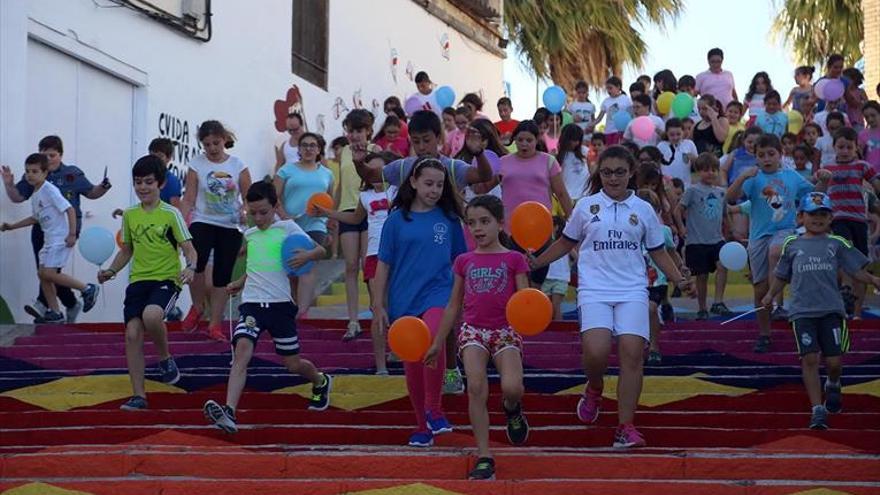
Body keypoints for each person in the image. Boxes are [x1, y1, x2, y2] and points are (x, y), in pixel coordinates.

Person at [531, 146, 692, 448]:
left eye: (620, 172)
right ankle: (594, 388)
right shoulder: (585, 206)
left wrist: (678, 278)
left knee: (633, 354)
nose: (613, 178)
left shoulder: (643, 209)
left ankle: (625, 426)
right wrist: (537, 262)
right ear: (599, 174)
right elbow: (566, 242)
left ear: (631, 173)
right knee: (597, 352)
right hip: (593, 289)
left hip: (632, 289)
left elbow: (658, 250)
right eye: (607, 172)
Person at [203, 180, 331, 433]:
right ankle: (229, 411)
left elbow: (321, 250)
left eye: (264, 212)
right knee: (241, 352)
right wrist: (239, 282)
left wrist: (306, 256)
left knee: (292, 364)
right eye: (253, 213)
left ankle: (320, 380)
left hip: (281, 306)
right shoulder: (249, 235)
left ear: (275, 207)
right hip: (251, 305)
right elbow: (257, 266)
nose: (258, 218)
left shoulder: (287, 228)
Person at [423, 194, 530, 480]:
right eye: (472, 223)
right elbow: (453, 305)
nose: (478, 228)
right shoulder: (463, 260)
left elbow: (526, 300)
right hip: (473, 331)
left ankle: (512, 408)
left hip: (506, 330)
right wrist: (437, 342)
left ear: (500, 223)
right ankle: (485, 455)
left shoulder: (514, 259)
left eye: (485, 221)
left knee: (512, 387)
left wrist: (532, 314)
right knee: (476, 387)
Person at [762, 192, 880, 429]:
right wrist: (770, 294)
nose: (817, 219)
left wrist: (873, 279)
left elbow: (855, 269)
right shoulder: (792, 245)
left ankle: (833, 383)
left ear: (830, 218)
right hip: (802, 312)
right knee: (810, 358)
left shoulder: (837, 243)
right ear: (801, 217)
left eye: (823, 214)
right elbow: (781, 275)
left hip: (831, 310)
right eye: (812, 214)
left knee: (834, 362)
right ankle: (817, 409)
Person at [371, 157, 467, 447]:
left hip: (439, 294)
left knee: (433, 339)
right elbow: (383, 265)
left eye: (440, 185)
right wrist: (378, 305)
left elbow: (460, 262)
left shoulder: (449, 220)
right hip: (403, 299)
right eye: (428, 183)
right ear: (412, 182)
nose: (435, 190)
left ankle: (435, 409)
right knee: (413, 362)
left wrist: (463, 298)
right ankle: (422, 425)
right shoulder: (396, 221)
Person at [92, 155, 195, 410]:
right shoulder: (130, 215)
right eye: (138, 182)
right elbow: (126, 250)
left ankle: (164, 358)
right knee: (132, 334)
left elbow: (189, 248)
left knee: (152, 316)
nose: (143, 188)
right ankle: (139, 395)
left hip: (167, 280)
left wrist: (191, 267)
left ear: (160, 184)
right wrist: (111, 271)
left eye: (148, 182)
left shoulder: (171, 214)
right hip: (138, 281)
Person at [1, 135, 111, 323]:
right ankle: (55, 311)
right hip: (45, 232)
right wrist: (12, 226)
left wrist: (71, 233)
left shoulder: (54, 185)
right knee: (43, 273)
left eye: (52, 155)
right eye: (28, 171)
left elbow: (71, 206)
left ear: (59, 156)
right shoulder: (36, 189)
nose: (30, 175)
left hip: (60, 235)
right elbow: (32, 213)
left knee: (50, 273)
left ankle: (86, 289)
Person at [726, 134, 814, 353]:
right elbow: (729, 197)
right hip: (758, 235)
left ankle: (776, 301)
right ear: (756, 157)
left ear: (780, 155)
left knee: (776, 251)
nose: (766, 159)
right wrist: (742, 177)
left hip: (784, 229)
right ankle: (765, 333)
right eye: (761, 155)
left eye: (771, 154)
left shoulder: (791, 176)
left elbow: (812, 191)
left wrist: (823, 179)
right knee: (759, 288)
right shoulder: (753, 178)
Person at [319, 152, 397, 371]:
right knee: (378, 306)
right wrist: (328, 213)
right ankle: (381, 365)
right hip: (374, 255)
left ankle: (398, 348)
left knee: (398, 305)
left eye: (377, 169)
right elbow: (354, 219)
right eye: (368, 169)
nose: (372, 174)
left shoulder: (398, 191)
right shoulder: (365, 196)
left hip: (399, 254)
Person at [180, 120, 252, 341]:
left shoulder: (238, 165)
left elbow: (249, 197)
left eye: (216, 143)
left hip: (229, 225)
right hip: (203, 220)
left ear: (224, 139)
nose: (212, 148)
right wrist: (181, 224)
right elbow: (189, 197)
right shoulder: (196, 164)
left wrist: (245, 212)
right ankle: (197, 305)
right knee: (196, 262)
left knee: (222, 275)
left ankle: (215, 324)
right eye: (207, 144)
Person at [814, 127, 880, 319]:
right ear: (834, 147)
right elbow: (818, 191)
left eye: (848, 147)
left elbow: (876, 185)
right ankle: (845, 290)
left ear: (856, 148)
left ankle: (857, 312)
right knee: (844, 250)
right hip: (837, 217)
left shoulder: (863, 166)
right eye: (840, 147)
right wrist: (823, 181)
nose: (844, 151)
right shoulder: (827, 168)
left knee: (860, 263)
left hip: (859, 219)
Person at [274, 132, 335, 315]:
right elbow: (274, 197)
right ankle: (293, 309)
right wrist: (284, 216)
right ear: (298, 149)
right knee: (292, 270)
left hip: (316, 225)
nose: (308, 149)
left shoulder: (327, 174)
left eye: (313, 145)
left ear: (318, 150)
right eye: (305, 145)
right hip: (290, 226)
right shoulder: (286, 170)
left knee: (308, 266)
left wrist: (330, 227)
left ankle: (303, 313)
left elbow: (330, 202)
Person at [336, 110, 382, 340]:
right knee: (351, 265)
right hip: (347, 208)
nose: (354, 135)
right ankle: (353, 320)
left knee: (368, 265)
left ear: (368, 131)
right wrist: (332, 216)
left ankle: (377, 314)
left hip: (370, 209)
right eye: (351, 130)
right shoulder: (343, 151)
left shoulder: (377, 151)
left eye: (359, 130)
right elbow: (341, 184)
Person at [676, 153, 732, 320]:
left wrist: (730, 231)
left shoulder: (722, 192)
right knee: (702, 275)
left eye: (714, 170)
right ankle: (702, 307)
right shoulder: (692, 190)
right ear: (699, 171)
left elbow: (725, 214)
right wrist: (681, 228)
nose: (711, 173)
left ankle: (718, 301)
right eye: (706, 170)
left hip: (717, 239)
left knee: (723, 265)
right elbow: (678, 210)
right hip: (697, 240)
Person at [637, 188, 682, 365]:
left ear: (657, 212)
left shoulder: (663, 231)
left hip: (656, 280)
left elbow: (671, 252)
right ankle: (641, 341)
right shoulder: (627, 229)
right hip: (633, 280)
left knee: (650, 309)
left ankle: (654, 345)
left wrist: (681, 269)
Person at [542, 216, 572, 320]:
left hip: (560, 277)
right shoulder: (543, 241)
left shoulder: (563, 242)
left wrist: (568, 268)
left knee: (556, 306)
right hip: (546, 277)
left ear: (556, 227)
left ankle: (560, 332)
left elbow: (576, 256)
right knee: (546, 307)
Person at [658, 118, 699, 187]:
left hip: (685, 185)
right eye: (672, 135)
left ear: (683, 132)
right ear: (667, 133)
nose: (675, 137)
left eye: (678, 134)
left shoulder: (689, 144)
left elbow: (698, 167)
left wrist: (694, 159)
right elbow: (658, 166)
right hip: (667, 186)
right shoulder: (661, 146)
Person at [556, 124, 590, 203]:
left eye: (579, 140)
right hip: (568, 195)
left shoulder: (585, 151)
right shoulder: (559, 154)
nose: (577, 143)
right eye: (574, 140)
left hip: (584, 194)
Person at [594, 76, 631, 145]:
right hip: (608, 131)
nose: (608, 91)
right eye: (607, 89)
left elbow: (631, 114)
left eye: (610, 88)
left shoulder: (626, 99)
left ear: (618, 87)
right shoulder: (606, 101)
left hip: (620, 131)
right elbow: (599, 117)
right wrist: (591, 124)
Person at [859, 101, 880, 174]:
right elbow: (859, 156)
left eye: (873, 115)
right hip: (872, 175)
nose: (870, 119)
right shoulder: (862, 135)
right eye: (867, 117)